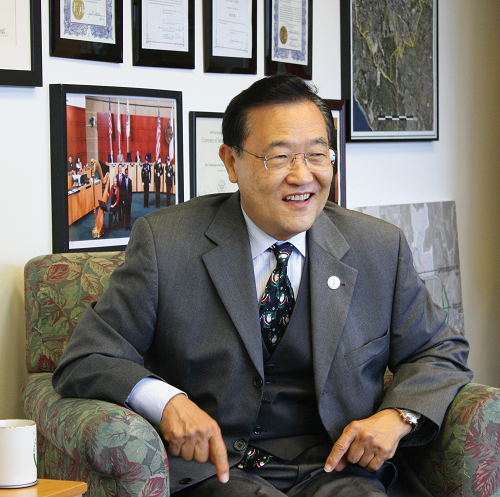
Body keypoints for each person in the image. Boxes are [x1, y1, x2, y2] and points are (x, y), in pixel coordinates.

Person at [53, 76, 472, 497]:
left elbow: (439, 350)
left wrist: (398, 417)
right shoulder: (166, 244)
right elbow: (87, 357)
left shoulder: (378, 248)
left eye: (317, 155)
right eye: (280, 157)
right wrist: (166, 402)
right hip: (217, 473)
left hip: (340, 471)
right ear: (231, 162)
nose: (302, 176)